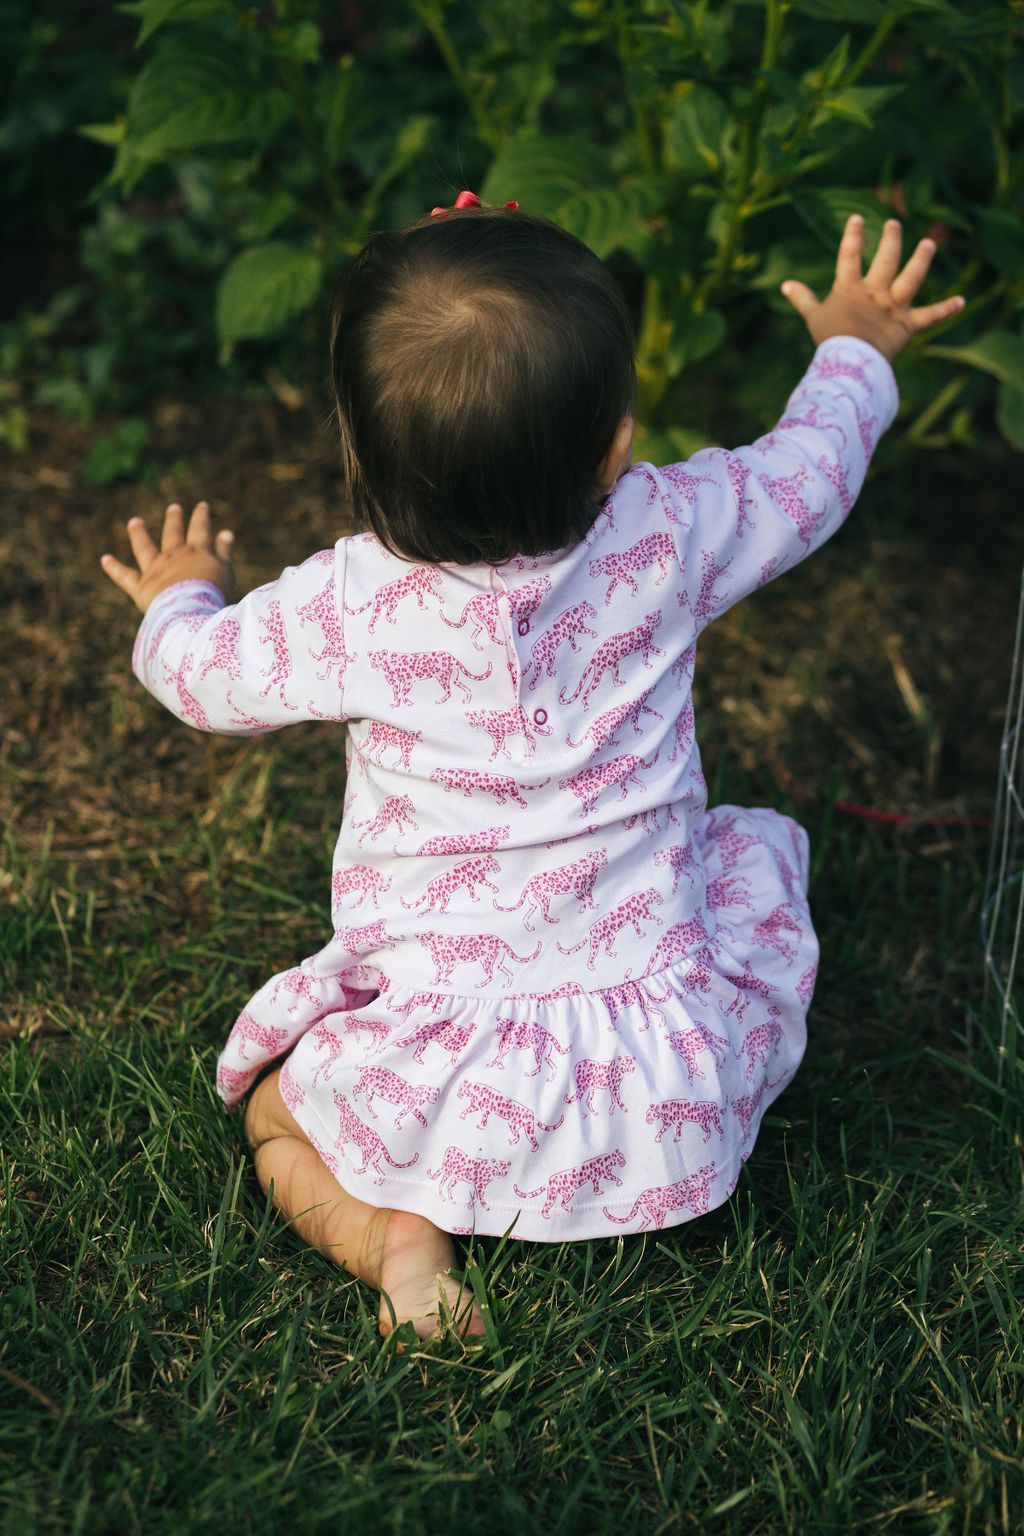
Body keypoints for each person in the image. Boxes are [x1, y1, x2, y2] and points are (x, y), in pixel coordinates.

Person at [100, 196, 965, 1342]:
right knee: (742, 858)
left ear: (357, 452)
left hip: (440, 1057)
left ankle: (400, 1248)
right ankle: (575, 1196)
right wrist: (855, 345)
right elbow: (809, 473)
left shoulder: (349, 606)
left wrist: (176, 598)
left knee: (274, 1109)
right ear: (615, 446)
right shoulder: (669, 530)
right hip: (661, 1088)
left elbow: (199, 678)